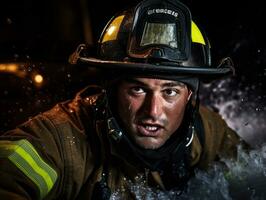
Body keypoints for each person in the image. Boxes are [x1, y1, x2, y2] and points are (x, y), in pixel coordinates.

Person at [0, 0, 248, 199]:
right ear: (111, 90)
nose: (153, 111)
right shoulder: (61, 140)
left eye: (170, 92)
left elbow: (252, 181)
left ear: (189, 96)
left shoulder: (207, 132)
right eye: (137, 90)